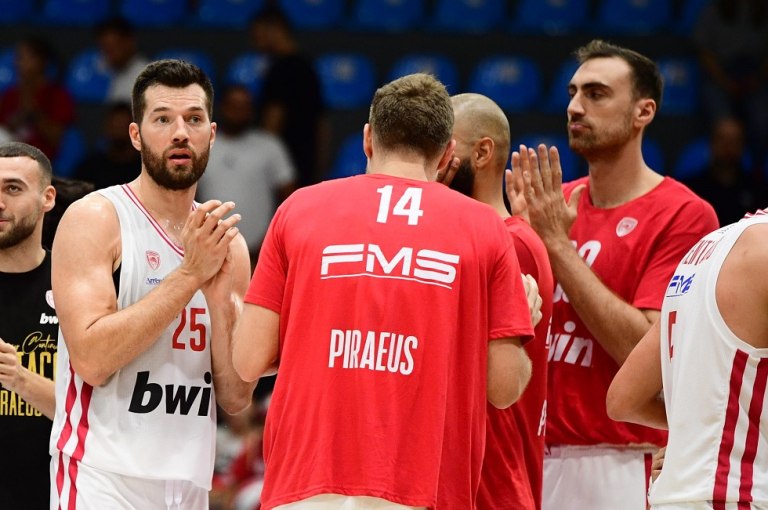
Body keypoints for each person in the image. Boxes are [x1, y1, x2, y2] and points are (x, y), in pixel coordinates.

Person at [231, 73, 535, 510]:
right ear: (447, 151)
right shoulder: (485, 228)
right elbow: (504, 388)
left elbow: (248, 360)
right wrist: (523, 321)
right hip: (425, 486)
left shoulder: (300, 209)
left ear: (368, 139)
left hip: (306, 480)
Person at [506, 39, 720, 509]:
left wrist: (555, 246)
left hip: (622, 461)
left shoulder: (683, 215)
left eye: (596, 93)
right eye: (572, 93)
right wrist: (520, 244)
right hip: (532, 455)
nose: (575, 107)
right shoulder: (551, 204)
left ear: (644, 111)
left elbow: (646, 353)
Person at [48, 59, 255, 508]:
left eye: (193, 119)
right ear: (136, 135)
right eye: (162, 119)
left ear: (212, 135)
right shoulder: (96, 218)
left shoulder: (228, 244)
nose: (180, 133)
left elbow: (236, 397)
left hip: (189, 482)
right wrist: (189, 275)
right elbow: (92, 361)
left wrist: (220, 306)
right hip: (102, 476)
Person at [607, 207, 768, 508]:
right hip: (738, 495)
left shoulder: (705, 248)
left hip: (675, 495)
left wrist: (692, 434)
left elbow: (624, 399)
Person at [447, 92, 554, 510]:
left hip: (494, 487)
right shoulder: (497, 238)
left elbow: (499, 385)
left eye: (446, 146)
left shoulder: (512, 244)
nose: (434, 162)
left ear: (482, 152)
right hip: (469, 483)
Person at [0, 141, 57, 509]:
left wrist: (18, 377)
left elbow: (99, 416)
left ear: (47, 198)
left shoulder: (76, 287)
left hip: (57, 495)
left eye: (13, 188)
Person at [197, 84, 295, 267]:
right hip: (207, 250)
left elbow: (289, 197)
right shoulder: (201, 145)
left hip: (261, 253)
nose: (237, 111)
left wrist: (274, 237)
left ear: (252, 110)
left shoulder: (270, 146)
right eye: (233, 105)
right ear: (221, 107)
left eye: (243, 106)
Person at [250, 4, 327, 188]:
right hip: (306, 163)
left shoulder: (280, 70)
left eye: (257, 35)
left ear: (274, 29)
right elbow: (322, 125)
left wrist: (263, 160)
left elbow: (273, 120)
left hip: (283, 168)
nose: (255, 43)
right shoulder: (308, 67)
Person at [692, 0, 768, 166]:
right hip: (719, 75)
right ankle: (718, 174)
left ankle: (756, 170)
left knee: (762, 122)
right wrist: (724, 81)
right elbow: (703, 52)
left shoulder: (764, 11)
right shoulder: (713, 10)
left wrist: (758, 78)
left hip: (755, 77)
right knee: (724, 127)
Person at [0, 37, 75, 161]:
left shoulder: (57, 95)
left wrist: (34, 113)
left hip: (39, 161)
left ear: (41, 61)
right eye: (18, 58)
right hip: (8, 158)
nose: (18, 63)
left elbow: (55, 138)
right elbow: (3, 131)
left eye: (24, 58)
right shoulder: (10, 94)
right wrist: (18, 118)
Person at [682, 116, 765, 226]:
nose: (728, 146)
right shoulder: (692, 189)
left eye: (734, 141)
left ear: (743, 145)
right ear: (711, 143)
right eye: (722, 139)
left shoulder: (758, 189)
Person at [73, 101, 141, 190]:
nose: (119, 131)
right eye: (115, 126)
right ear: (106, 127)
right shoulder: (91, 168)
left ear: (135, 131)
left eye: (123, 126)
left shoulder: (146, 169)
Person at [96, 16, 149, 103]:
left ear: (129, 42)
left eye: (114, 46)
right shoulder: (104, 69)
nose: (109, 53)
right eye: (105, 48)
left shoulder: (146, 78)